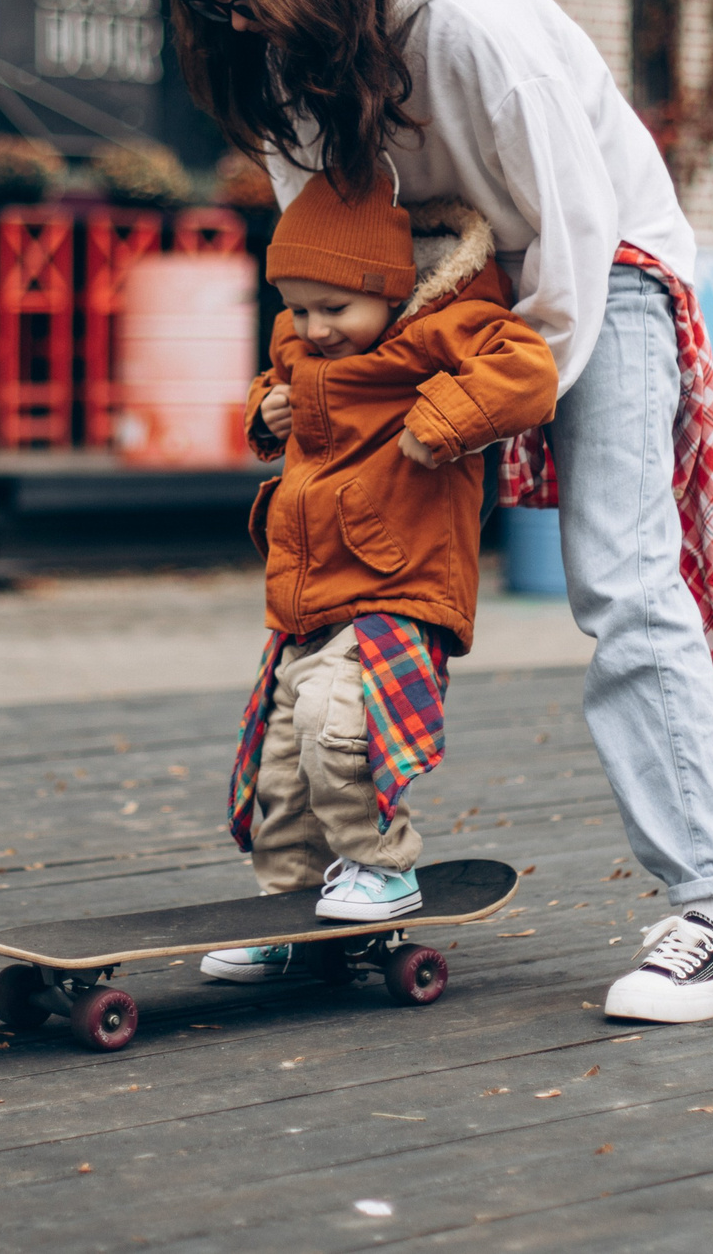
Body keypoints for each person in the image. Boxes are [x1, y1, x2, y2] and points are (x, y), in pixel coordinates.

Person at [170, 0, 713, 1025]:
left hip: (596, 274)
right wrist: (310, 397)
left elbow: (572, 234)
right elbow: (324, 266)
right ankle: (333, 877)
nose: (237, 27)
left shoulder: (476, 27)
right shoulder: (285, 66)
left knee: (619, 575)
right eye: (212, 3)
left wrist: (485, 401)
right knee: (345, 568)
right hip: (429, 290)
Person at [199, 168, 556, 983]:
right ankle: (290, 909)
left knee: (337, 725)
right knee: (282, 769)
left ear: (390, 289)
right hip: (309, 597)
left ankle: (382, 867)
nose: (315, 328)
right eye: (298, 309)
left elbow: (529, 372)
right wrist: (265, 408)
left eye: (335, 308)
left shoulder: (444, 328)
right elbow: (279, 381)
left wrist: (446, 418)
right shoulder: (302, 347)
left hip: (398, 587)